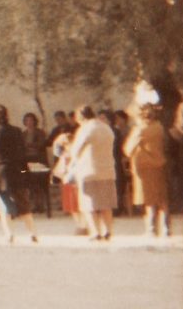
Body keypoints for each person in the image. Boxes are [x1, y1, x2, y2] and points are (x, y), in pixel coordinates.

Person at [0, 104, 38, 244]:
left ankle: (9, 235)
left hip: (0, 173)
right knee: (23, 204)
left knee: (3, 205)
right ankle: (33, 233)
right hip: (17, 170)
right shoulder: (17, 131)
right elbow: (23, 153)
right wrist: (25, 173)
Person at [69, 105, 116, 240]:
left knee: (89, 203)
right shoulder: (106, 128)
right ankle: (108, 231)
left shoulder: (85, 129)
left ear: (81, 117)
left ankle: (95, 232)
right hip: (107, 169)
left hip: (89, 170)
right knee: (106, 203)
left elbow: (75, 150)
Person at [124, 102, 170, 237]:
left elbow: (128, 150)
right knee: (162, 198)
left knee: (149, 199)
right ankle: (166, 228)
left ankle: (151, 229)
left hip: (144, 167)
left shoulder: (140, 130)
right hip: (160, 164)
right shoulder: (160, 128)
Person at [99, 109, 126, 216]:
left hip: (114, 161)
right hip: (104, 162)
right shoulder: (100, 131)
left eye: (103, 118)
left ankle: (117, 208)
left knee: (116, 185)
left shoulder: (114, 131)